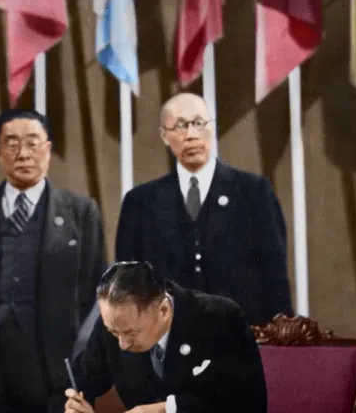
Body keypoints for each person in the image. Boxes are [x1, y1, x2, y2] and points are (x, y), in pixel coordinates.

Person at [0, 109, 106, 413]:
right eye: (12, 144)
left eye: (33, 143)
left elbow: (93, 285)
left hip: (54, 364)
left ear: (48, 150)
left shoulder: (80, 212)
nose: (23, 154)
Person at [114, 92, 292, 326]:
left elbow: (275, 275)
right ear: (164, 136)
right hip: (168, 341)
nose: (191, 135)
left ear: (212, 128)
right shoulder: (140, 202)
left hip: (241, 338)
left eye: (198, 123)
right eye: (180, 126)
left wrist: (281, 339)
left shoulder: (253, 193)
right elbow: (129, 287)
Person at [64, 262, 267, 413]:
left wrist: (165, 410)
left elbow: (248, 408)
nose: (122, 344)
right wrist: (77, 408)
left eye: (131, 334)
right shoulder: (116, 324)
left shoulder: (219, 318)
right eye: (114, 333)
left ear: (163, 310)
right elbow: (83, 379)